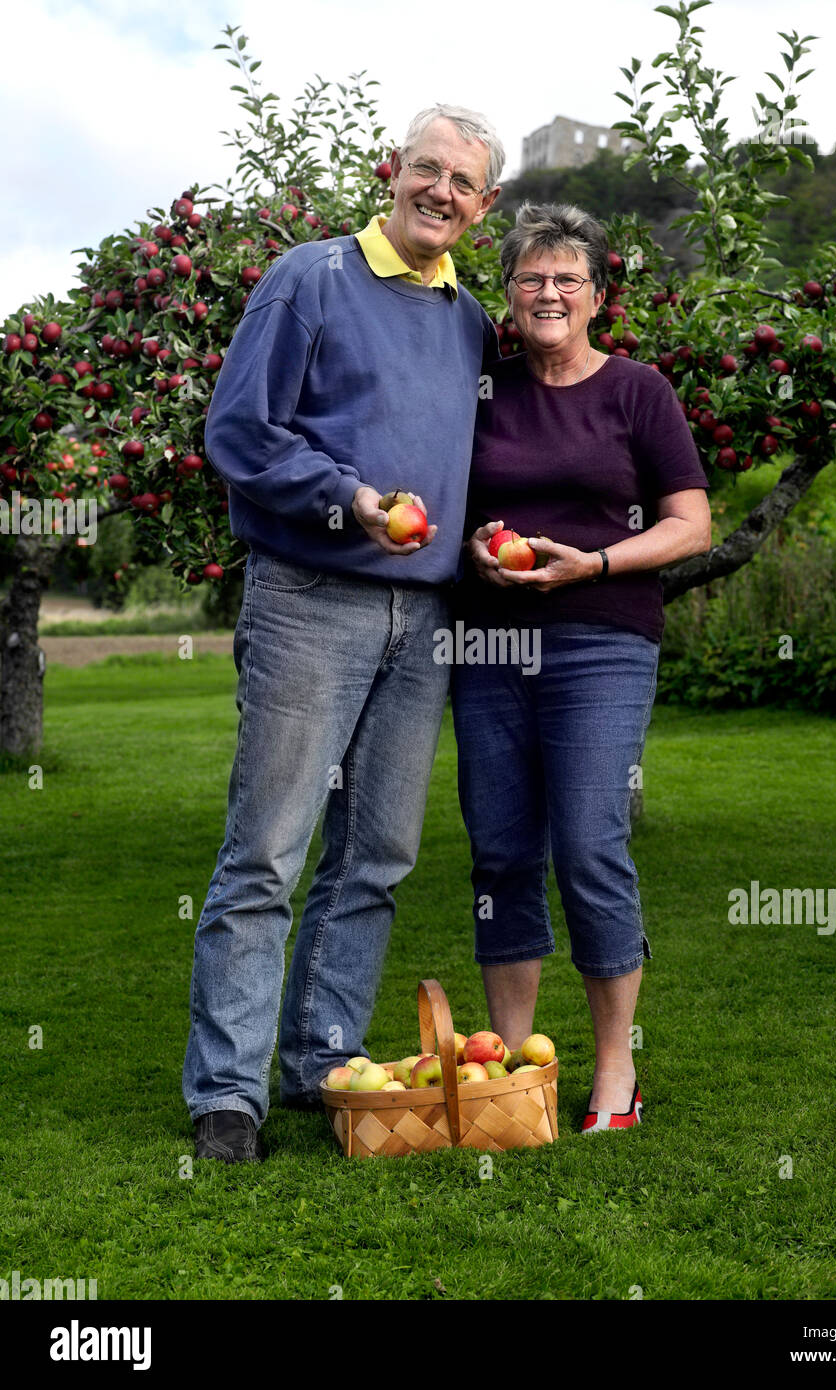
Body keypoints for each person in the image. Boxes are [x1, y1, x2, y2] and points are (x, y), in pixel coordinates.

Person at [183, 105, 503, 1163]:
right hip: (313, 597)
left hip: (429, 617)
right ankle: (227, 1096)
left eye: (463, 182)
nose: (440, 192)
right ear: (394, 171)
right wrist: (346, 498)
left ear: (482, 205)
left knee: (377, 855)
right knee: (268, 849)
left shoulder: (470, 321)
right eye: (427, 169)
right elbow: (237, 431)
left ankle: (321, 1065)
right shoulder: (309, 277)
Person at [451, 202, 712, 1133]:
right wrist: (477, 542)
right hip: (488, 644)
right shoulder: (482, 386)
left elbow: (691, 523)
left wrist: (594, 562)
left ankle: (612, 1074)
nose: (548, 292)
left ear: (597, 294)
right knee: (500, 848)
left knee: (591, 846)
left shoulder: (638, 391)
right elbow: (449, 503)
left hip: (601, 637)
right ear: (508, 295)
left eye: (568, 278)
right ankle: (511, 1068)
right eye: (530, 277)